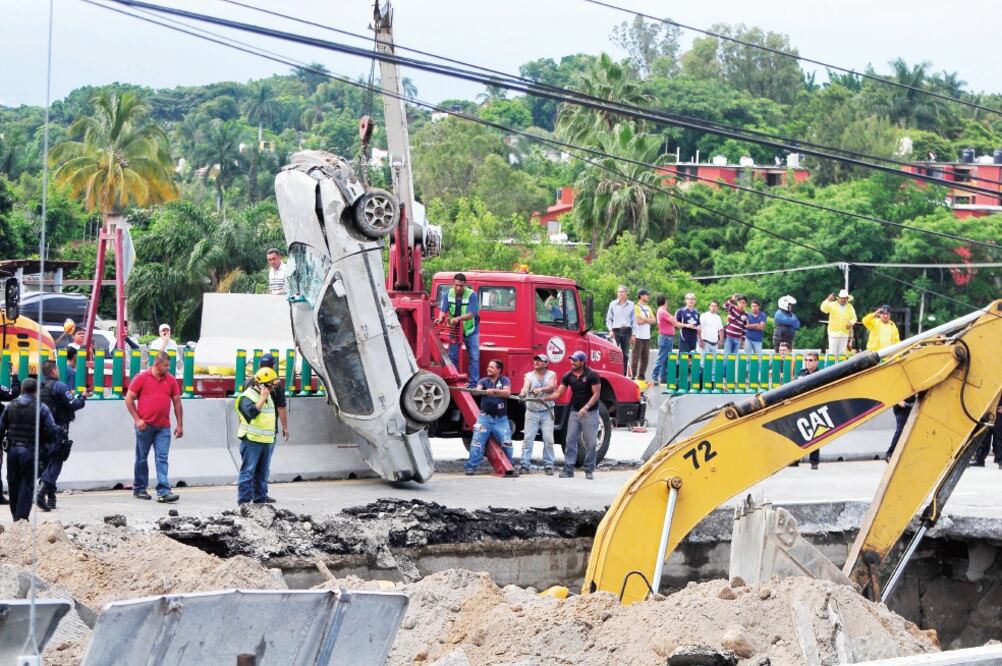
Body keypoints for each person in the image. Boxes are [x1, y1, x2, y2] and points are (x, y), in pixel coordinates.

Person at [124, 352, 183, 502]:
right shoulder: (141, 378)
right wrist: (137, 420)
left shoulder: (170, 380)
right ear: (157, 364)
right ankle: (139, 488)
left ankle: (163, 491)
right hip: (145, 426)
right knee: (142, 458)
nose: (168, 368)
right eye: (166, 365)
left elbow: (176, 402)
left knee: (162, 458)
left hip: (163, 427)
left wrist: (179, 425)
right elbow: (129, 399)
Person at [0, 378, 60, 521]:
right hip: (31, 451)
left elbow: (1, 429)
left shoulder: (10, 406)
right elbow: (52, 430)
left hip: (13, 451)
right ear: (36, 391)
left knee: (13, 483)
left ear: (21, 389)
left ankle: (16, 517)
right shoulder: (41, 407)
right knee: (27, 484)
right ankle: (21, 519)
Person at [37, 360, 87, 511]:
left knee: (47, 463)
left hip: (41, 430)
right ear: (53, 372)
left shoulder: (38, 387)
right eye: (57, 370)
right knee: (56, 462)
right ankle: (42, 491)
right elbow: (73, 404)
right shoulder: (60, 386)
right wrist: (82, 398)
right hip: (58, 429)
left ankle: (51, 498)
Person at [550, 350, 601, 480]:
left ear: (582, 362)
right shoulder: (568, 376)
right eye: (571, 359)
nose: (572, 362)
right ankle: (568, 468)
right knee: (570, 440)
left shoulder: (592, 375)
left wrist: (586, 407)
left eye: (575, 360)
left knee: (591, 442)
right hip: (574, 412)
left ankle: (589, 468)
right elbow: (559, 393)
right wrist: (543, 398)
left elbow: (596, 394)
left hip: (590, 412)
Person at [235, 367, 281, 504]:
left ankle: (260, 501)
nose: (273, 388)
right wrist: (262, 398)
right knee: (248, 473)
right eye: (271, 385)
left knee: (262, 474)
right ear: (262, 385)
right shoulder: (246, 397)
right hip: (251, 441)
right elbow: (252, 413)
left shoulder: (268, 397)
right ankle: (243, 503)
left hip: (266, 441)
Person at [464, 360, 512, 475]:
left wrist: (494, 391)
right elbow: (478, 391)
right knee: (476, 442)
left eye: (492, 367)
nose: (488, 369)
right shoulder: (483, 381)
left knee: (507, 443)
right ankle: (471, 467)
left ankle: (510, 466)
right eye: (488, 366)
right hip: (484, 418)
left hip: (501, 419)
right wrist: (471, 389)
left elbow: (507, 393)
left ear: (498, 370)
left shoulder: (504, 380)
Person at [436, 273, 480, 388]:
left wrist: (458, 318)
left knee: (474, 356)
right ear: (453, 284)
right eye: (456, 285)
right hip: (454, 329)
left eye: (461, 285)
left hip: (470, 330)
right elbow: (443, 310)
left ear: (465, 285)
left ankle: (473, 384)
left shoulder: (472, 295)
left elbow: (471, 314)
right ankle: (453, 382)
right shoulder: (447, 294)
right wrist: (440, 318)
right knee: (452, 356)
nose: (458, 288)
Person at [518, 354, 557, 475]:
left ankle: (549, 465)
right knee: (528, 439)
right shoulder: (529, 376)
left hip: (547, 411)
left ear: (546, 364)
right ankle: (524, 464)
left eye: (540, 361)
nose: (537, 362)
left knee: (548, 439)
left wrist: (540, 390)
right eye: (536, 360)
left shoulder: (551, 374)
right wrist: (522, 394)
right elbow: (525, 387)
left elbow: (552, 388)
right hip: (532, 412)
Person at [244, 353, 289, 442]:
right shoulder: (276, 384)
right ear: (273, 366)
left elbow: (242, 405)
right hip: (268, 433)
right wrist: (285, 428)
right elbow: (281, 408)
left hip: (250, 432)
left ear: (259, 365)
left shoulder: (248, 382)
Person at [794, 352, 822, 470]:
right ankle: (796, 459)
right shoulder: (802, 373)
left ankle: (814, 461)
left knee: (815, 434)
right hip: (802, 406)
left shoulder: (821, 374)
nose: (807, 362)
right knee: (798, 433)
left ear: (816, 362)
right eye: (806, 360)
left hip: (815, 405)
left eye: (810, 360)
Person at [605, 286, 636, 375]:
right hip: (615, 331)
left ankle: (623, 374)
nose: (620, 293)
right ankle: (613, 373)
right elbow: (608, 319)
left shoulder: (631, 304)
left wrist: (634, 334)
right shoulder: (613, 304)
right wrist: (610, 330)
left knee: (625, 355)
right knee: (614, 354)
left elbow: (634, 321)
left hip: (627, 331)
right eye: (619, 292)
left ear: (626, 293)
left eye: (622, 292)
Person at [820, 289, 857, 357]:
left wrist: (851, 323)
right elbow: (823, 309)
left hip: (844, 333)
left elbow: (854, 318)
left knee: (842, 354)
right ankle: (832, 366)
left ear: (847, 299)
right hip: (833, 333)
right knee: (832, 353)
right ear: (839, 298)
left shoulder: (850, 307)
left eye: (845, 298)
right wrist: (828, 300)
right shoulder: (832, 304)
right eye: (842, 298)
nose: (843, 300)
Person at [631, 289, 655, 381]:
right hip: (638, 336)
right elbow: (638, 321)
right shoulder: (636, 307)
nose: (648, 296)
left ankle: (641, 377)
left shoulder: (648, 308)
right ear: (641, 296)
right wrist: (647, 320)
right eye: (646, 295)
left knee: (645, 358)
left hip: (647, 336)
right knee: (635, 358)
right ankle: (633, 376)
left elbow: (654, 321)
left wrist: (645, 319)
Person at [699, 300, 724, 389]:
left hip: (714, 343)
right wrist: (700, 340)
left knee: (713, 363)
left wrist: (721, 340)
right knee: (704, 362)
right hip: (705, 342)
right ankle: (703, 381)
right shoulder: (704, 316)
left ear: (717, 308)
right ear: (709, 306)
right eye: (712, 306)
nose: (713, 307)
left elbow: (721, 329)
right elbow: (699, 328)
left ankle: (712, 382)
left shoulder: (718, 317)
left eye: (715, 306)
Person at [652, 295, 676, 386]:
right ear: (665, 301)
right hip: (666, 337)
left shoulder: (660, 311)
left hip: (666, 337)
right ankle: (655, 376)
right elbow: (673, 321)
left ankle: (663, 378)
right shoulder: (663, 312)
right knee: (661, 358)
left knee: (666, 359)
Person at [885, 396, 916, 462]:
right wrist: (899, 401)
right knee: (900, 429)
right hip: (902, 408)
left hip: (912, 404)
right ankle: (889, 453)